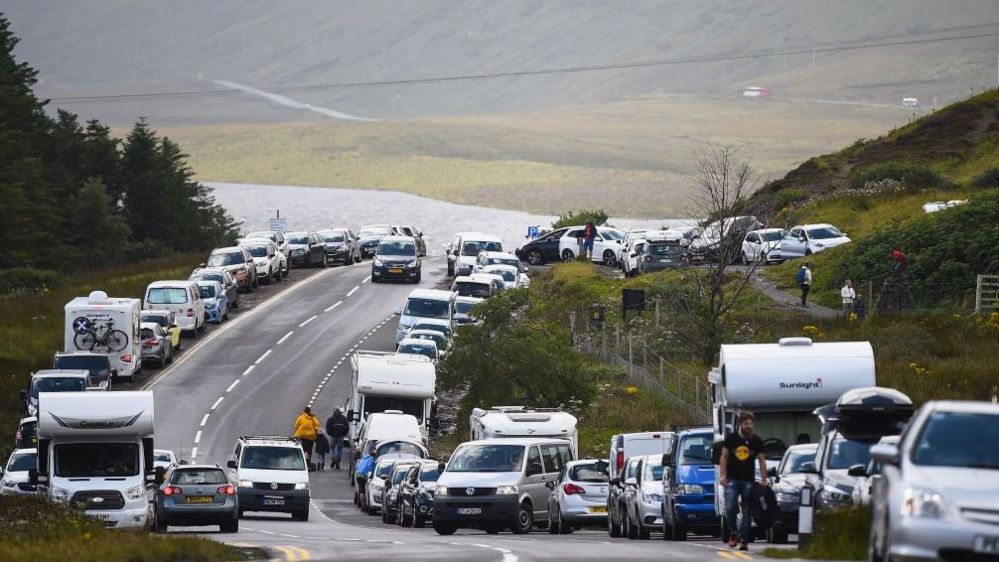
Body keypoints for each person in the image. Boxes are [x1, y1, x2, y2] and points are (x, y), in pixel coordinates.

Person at [720, 410, 768, 551]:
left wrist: (764, 479)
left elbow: (762, 460)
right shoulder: (731, 439)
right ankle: (733, 532)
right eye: (747, 424)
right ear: (740, 424)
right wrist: (722, 475)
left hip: (748, 481)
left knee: (747, 511)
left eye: (751, 424)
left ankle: (744, 540)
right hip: (732, 480)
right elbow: (724, 457)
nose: (749, 426)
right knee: (730, 507)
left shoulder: (756, 441)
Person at [354, 442, 379, 510]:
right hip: (364, 475)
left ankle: (362, 504)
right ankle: (363, 506)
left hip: (358, 474)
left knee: (361, 490)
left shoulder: (364, 458)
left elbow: (358, 466)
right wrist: (371, 475)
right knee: (364, 490)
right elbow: (371, 468)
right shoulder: (372, 460)